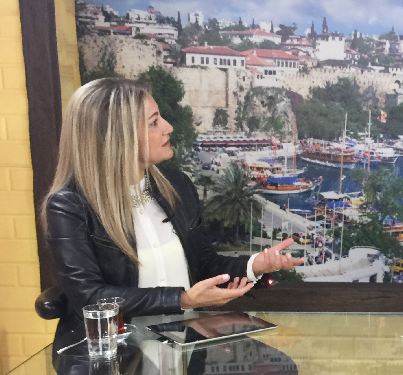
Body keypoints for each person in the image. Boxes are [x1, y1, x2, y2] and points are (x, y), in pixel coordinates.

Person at [44, 78, 304, 332]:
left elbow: (204, 264)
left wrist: (255, 265)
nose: (168, 127)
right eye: (153, 122)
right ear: (116, 136)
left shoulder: (178, 186)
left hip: (185, 345)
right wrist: (181, 300)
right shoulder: (68, 206)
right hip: (116, 350)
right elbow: (90, 298)